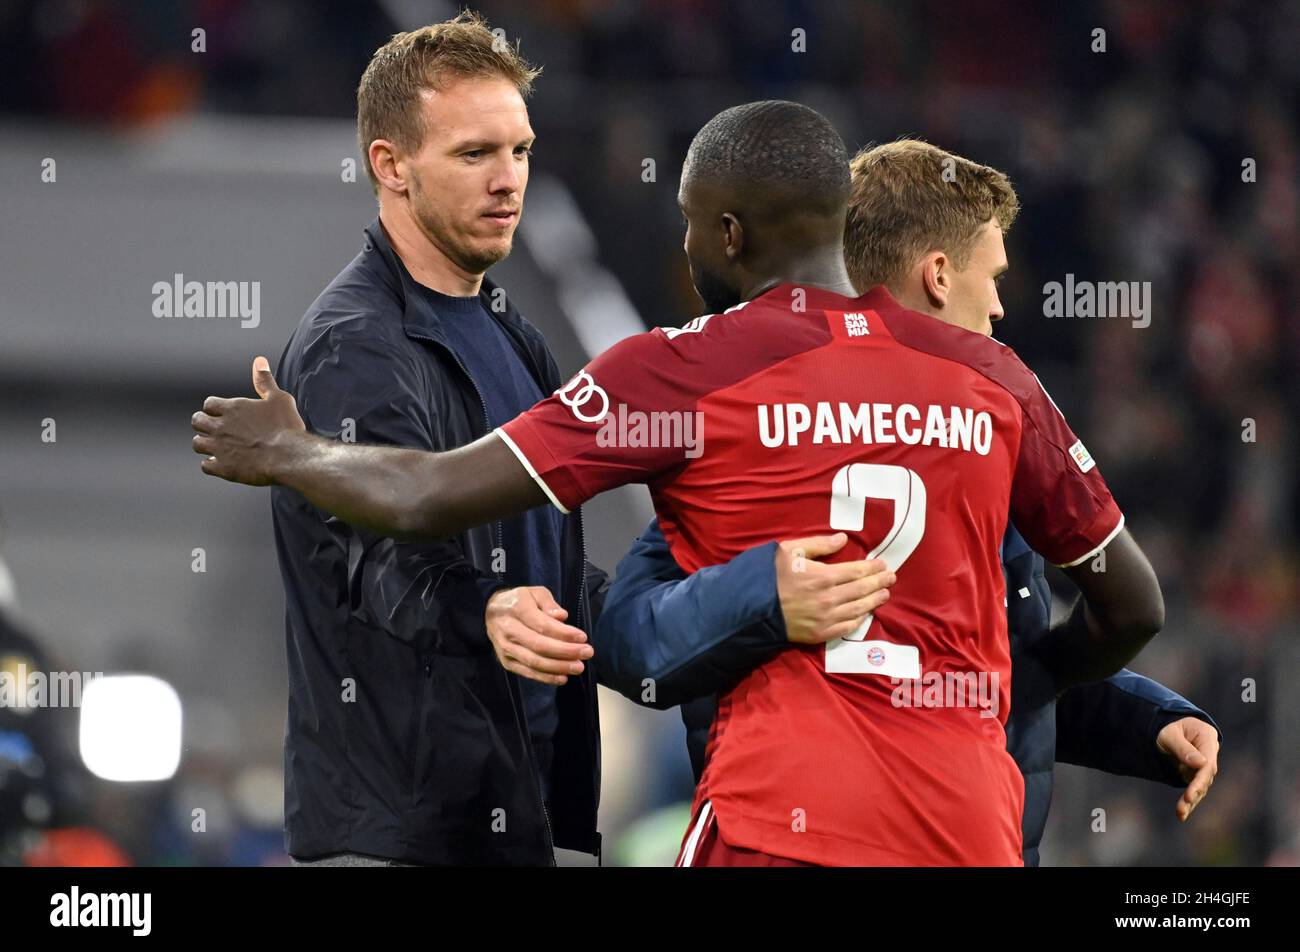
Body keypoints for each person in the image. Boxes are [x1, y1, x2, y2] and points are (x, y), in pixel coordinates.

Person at [190, 101, 1165, 865]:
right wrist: (1011, 682)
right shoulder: (989, 378)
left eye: (693, 228)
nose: (687, 249)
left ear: (729, 234)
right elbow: (1131, 605)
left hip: (781, 827)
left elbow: (427, 492)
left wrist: (288, 452)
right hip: (971, 830)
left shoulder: (680, 371)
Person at [592, 140, 1220, 866]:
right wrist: (761, 592)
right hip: (879, 834)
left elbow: (975, 666)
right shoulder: (773, 436)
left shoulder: (962, 438)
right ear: (938, 275)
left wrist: (1141, 721)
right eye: (993, 278)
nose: (999, 305)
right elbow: (630, 641)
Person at [266, 13, 606, 866]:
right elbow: (363, 560)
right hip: (400, 841)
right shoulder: (356, 344)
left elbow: (547, 561)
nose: (509, 181)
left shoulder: (507, 327)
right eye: (474, 154)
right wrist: (480, 607)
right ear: (391, 166)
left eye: (520, 151)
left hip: (508, 820)